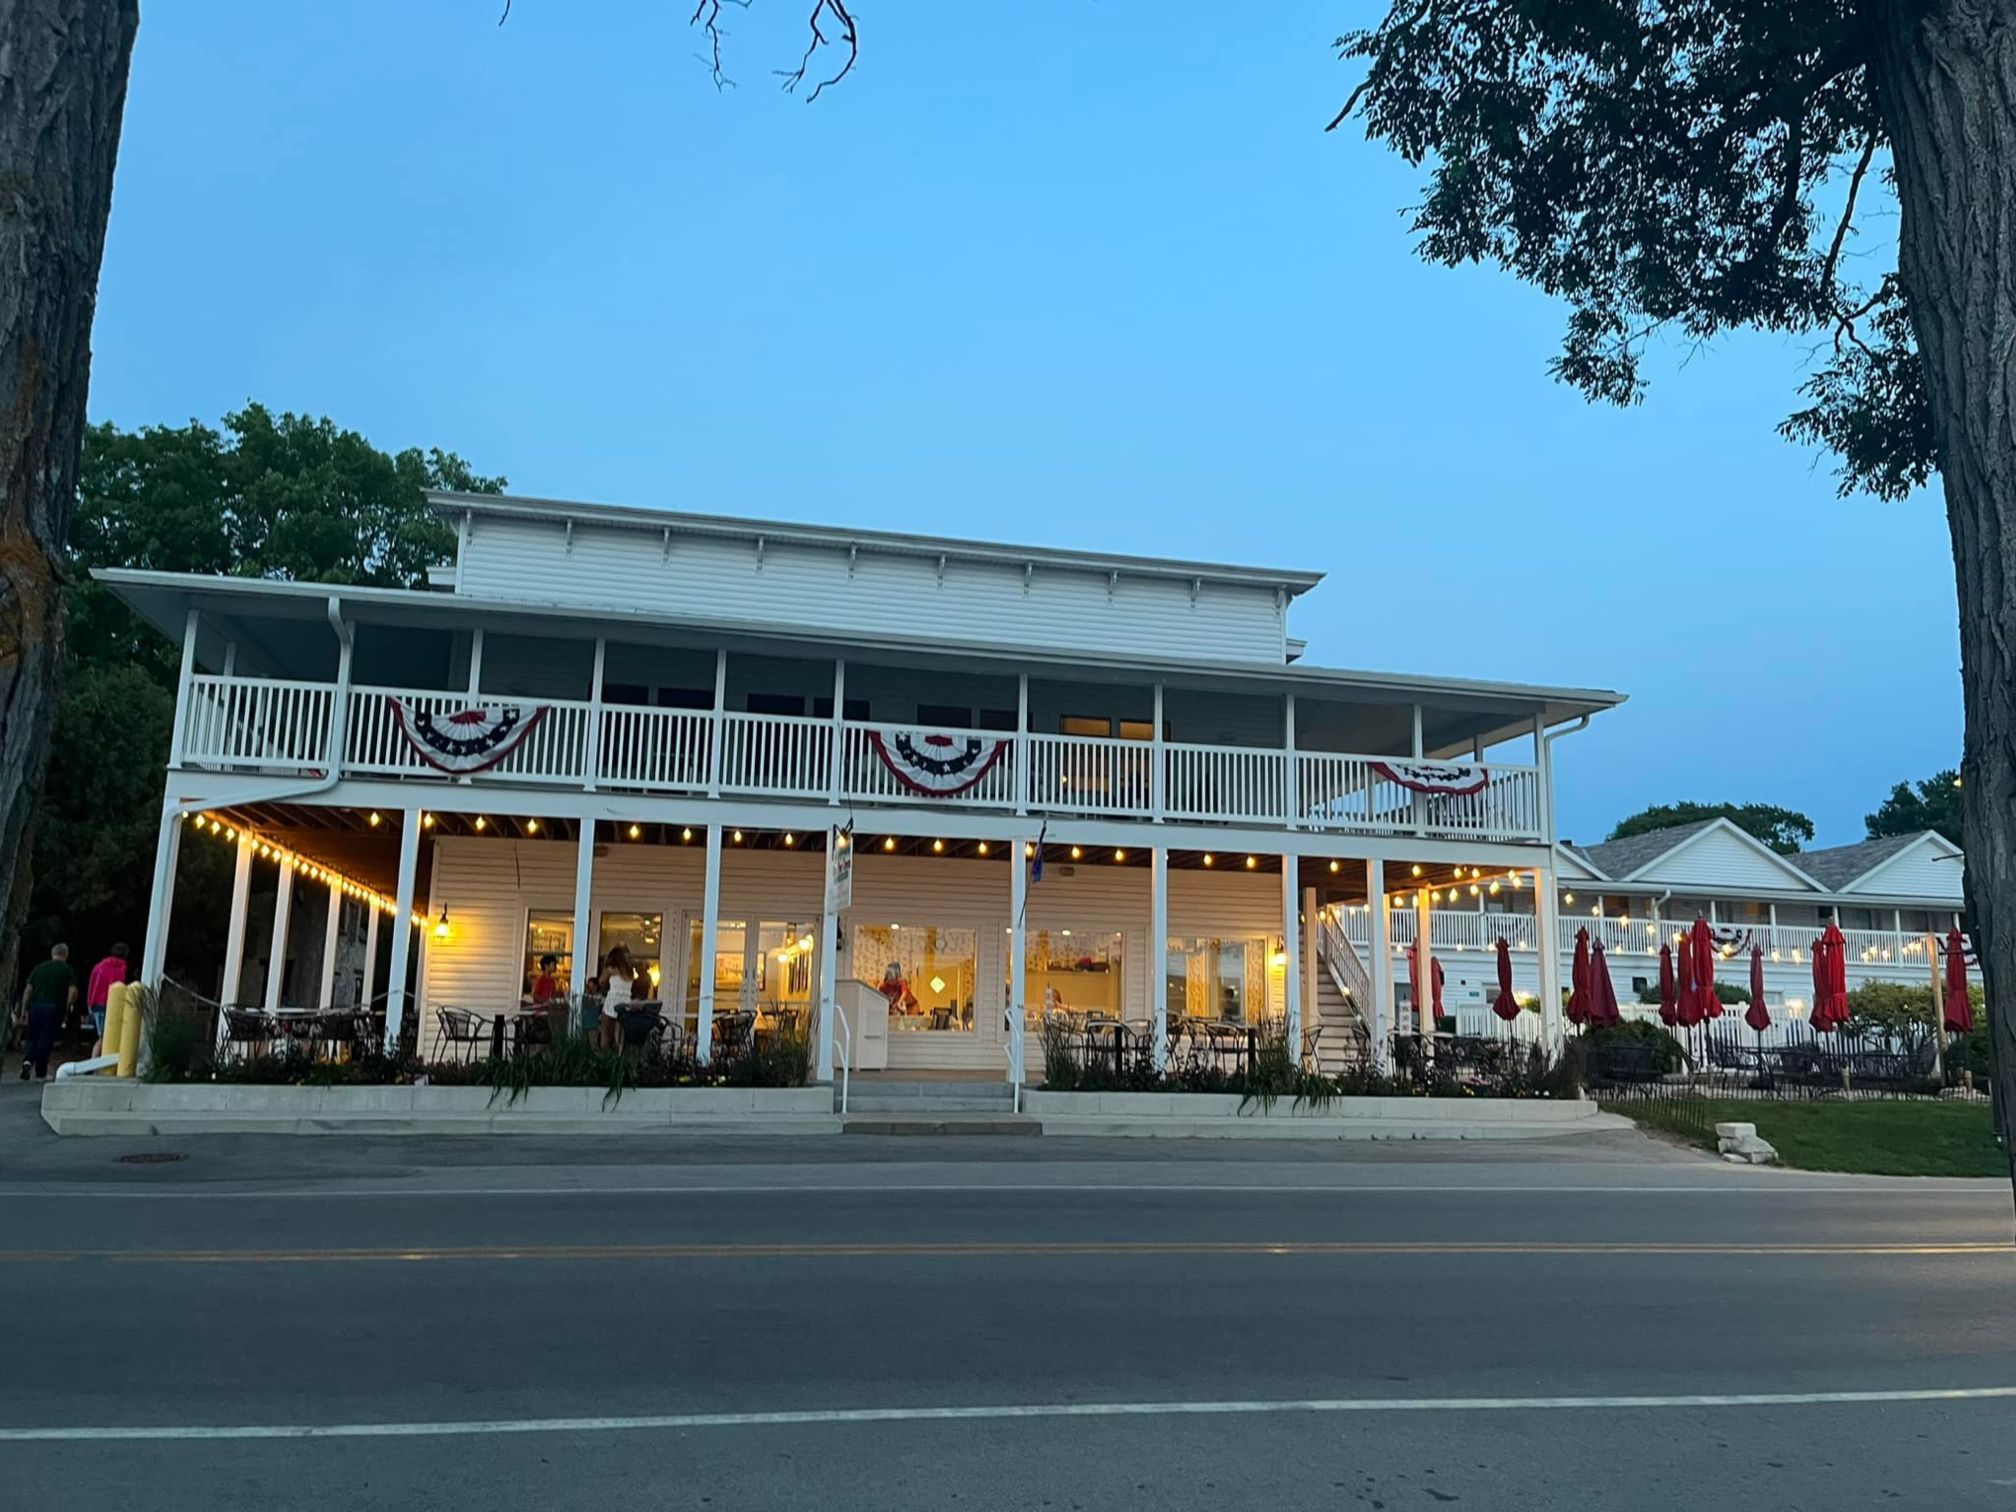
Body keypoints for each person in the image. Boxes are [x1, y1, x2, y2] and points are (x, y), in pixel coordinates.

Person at [19, 944, 78, 1082]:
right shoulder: (68, 970)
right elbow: (73, 991)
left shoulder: (39, 968)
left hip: (36, 1006)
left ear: (52, 953)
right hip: (54, 1007)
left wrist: (23, 1008)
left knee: (33, 1035)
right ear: (66, 955)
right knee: (46, 1038)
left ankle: (28, 1060)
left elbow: (28, 989)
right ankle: (41, 1071)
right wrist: (67, 1006)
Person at [86, 943, 128, 1045]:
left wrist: (89, 1003)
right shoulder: (124, 968)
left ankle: (96, 1058)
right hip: (115, 1004)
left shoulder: (99, 967)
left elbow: (92, 985)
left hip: (97, 1003)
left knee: (102, 1036)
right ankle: (98, 1058)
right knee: (109, 1037)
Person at [597, 944, 635, 1048]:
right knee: (619, 1031)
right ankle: (619, 1053)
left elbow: (601, 982)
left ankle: (604, 1054)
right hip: (625, 1002)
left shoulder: (611, 970)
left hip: (613, 1001)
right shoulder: (629, 973)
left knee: (605, 1029)